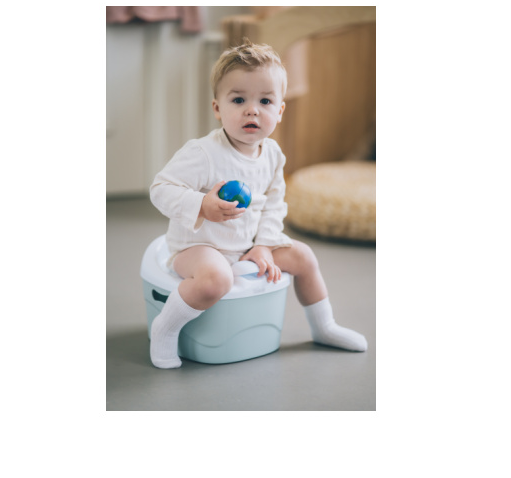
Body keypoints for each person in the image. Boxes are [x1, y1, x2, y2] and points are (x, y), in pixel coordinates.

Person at [149, 39, 367, 369]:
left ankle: (324, 326)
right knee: (216, 280)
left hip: (247, 245)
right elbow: (160, 188)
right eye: (238, 100)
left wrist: (264, 245)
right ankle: (165, 328)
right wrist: (202, 204)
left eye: (265, 101)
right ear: (217, 108)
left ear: (279, 111)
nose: (252, 110)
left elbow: (274, 204)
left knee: (304, 257)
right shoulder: (203, 153)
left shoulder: (273, 155)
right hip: (199, 246)